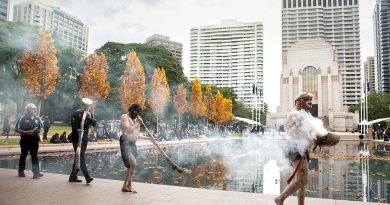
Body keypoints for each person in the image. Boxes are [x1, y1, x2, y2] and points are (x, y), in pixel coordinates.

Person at [274, 92, 328, 205]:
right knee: (302, 180)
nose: (311, 106)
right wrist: (316, 139)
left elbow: (307, 132)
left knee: (302, 181)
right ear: (301, 101)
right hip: (296, 149)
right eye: (309, 103)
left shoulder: (299, 114)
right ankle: (280, 198)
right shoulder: (295, 115)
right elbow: (300, 134)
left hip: (299, 148)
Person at [68, 98, 96, 184]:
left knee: (78, 157)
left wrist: (90, 117)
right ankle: (87, 177)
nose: (87, 108)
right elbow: (73, 124)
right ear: (82, 106)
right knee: (81, 156)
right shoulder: (76, 113)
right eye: (85, 106)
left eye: (88, 107)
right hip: (77, 138)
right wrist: (78, 130)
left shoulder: (89, 114)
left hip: (84, 138)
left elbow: (94, 124)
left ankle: (73, 176)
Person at [15, 103, 44, 178]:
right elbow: (16, 129)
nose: (35, 110)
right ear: (28, 110)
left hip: (34, 140)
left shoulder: (38, 119)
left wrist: (39, 131)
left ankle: (36, 173)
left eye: (35, 108)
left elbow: (41, 128)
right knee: (23, 155)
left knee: (34, 156)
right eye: (33, 108)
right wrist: (25, 132)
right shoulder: (22, 118)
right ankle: (21, 171)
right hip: (25, 140)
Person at [119, 103, 143, 193]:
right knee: (133, 163)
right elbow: (127, 130)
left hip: (133, 144)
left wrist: (150, 138)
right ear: (132, 109)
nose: (137, 114)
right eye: (136, 111)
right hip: (125, 143)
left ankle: (125, 186)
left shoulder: (136, 120)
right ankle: (128, 185)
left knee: (130, 166)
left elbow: (136, 134)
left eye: (138, 112)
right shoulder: (124, 117)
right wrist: (137, 123)